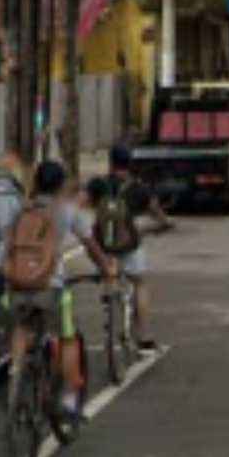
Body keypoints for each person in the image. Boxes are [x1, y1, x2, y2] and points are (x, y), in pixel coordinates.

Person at [7, 158, 114, 434]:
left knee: (22, 326)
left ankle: (15, 378)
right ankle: (68, 399)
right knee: (66, 337)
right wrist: (106, 268)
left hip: (17, 285)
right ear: (60, 185)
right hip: (50, 286)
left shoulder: (20, 209)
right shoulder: (66, 211)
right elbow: (90, 246)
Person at [88, 141, 177, 350]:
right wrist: (165, 223)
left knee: (109, 273)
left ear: (110, 162)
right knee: (139, 283)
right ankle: (143, 334)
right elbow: (156, 212)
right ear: (130, 163)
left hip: (103, 246)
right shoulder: (139, 188)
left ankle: (109, 297)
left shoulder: (97, 184)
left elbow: (88, 206)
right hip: (129, 245)